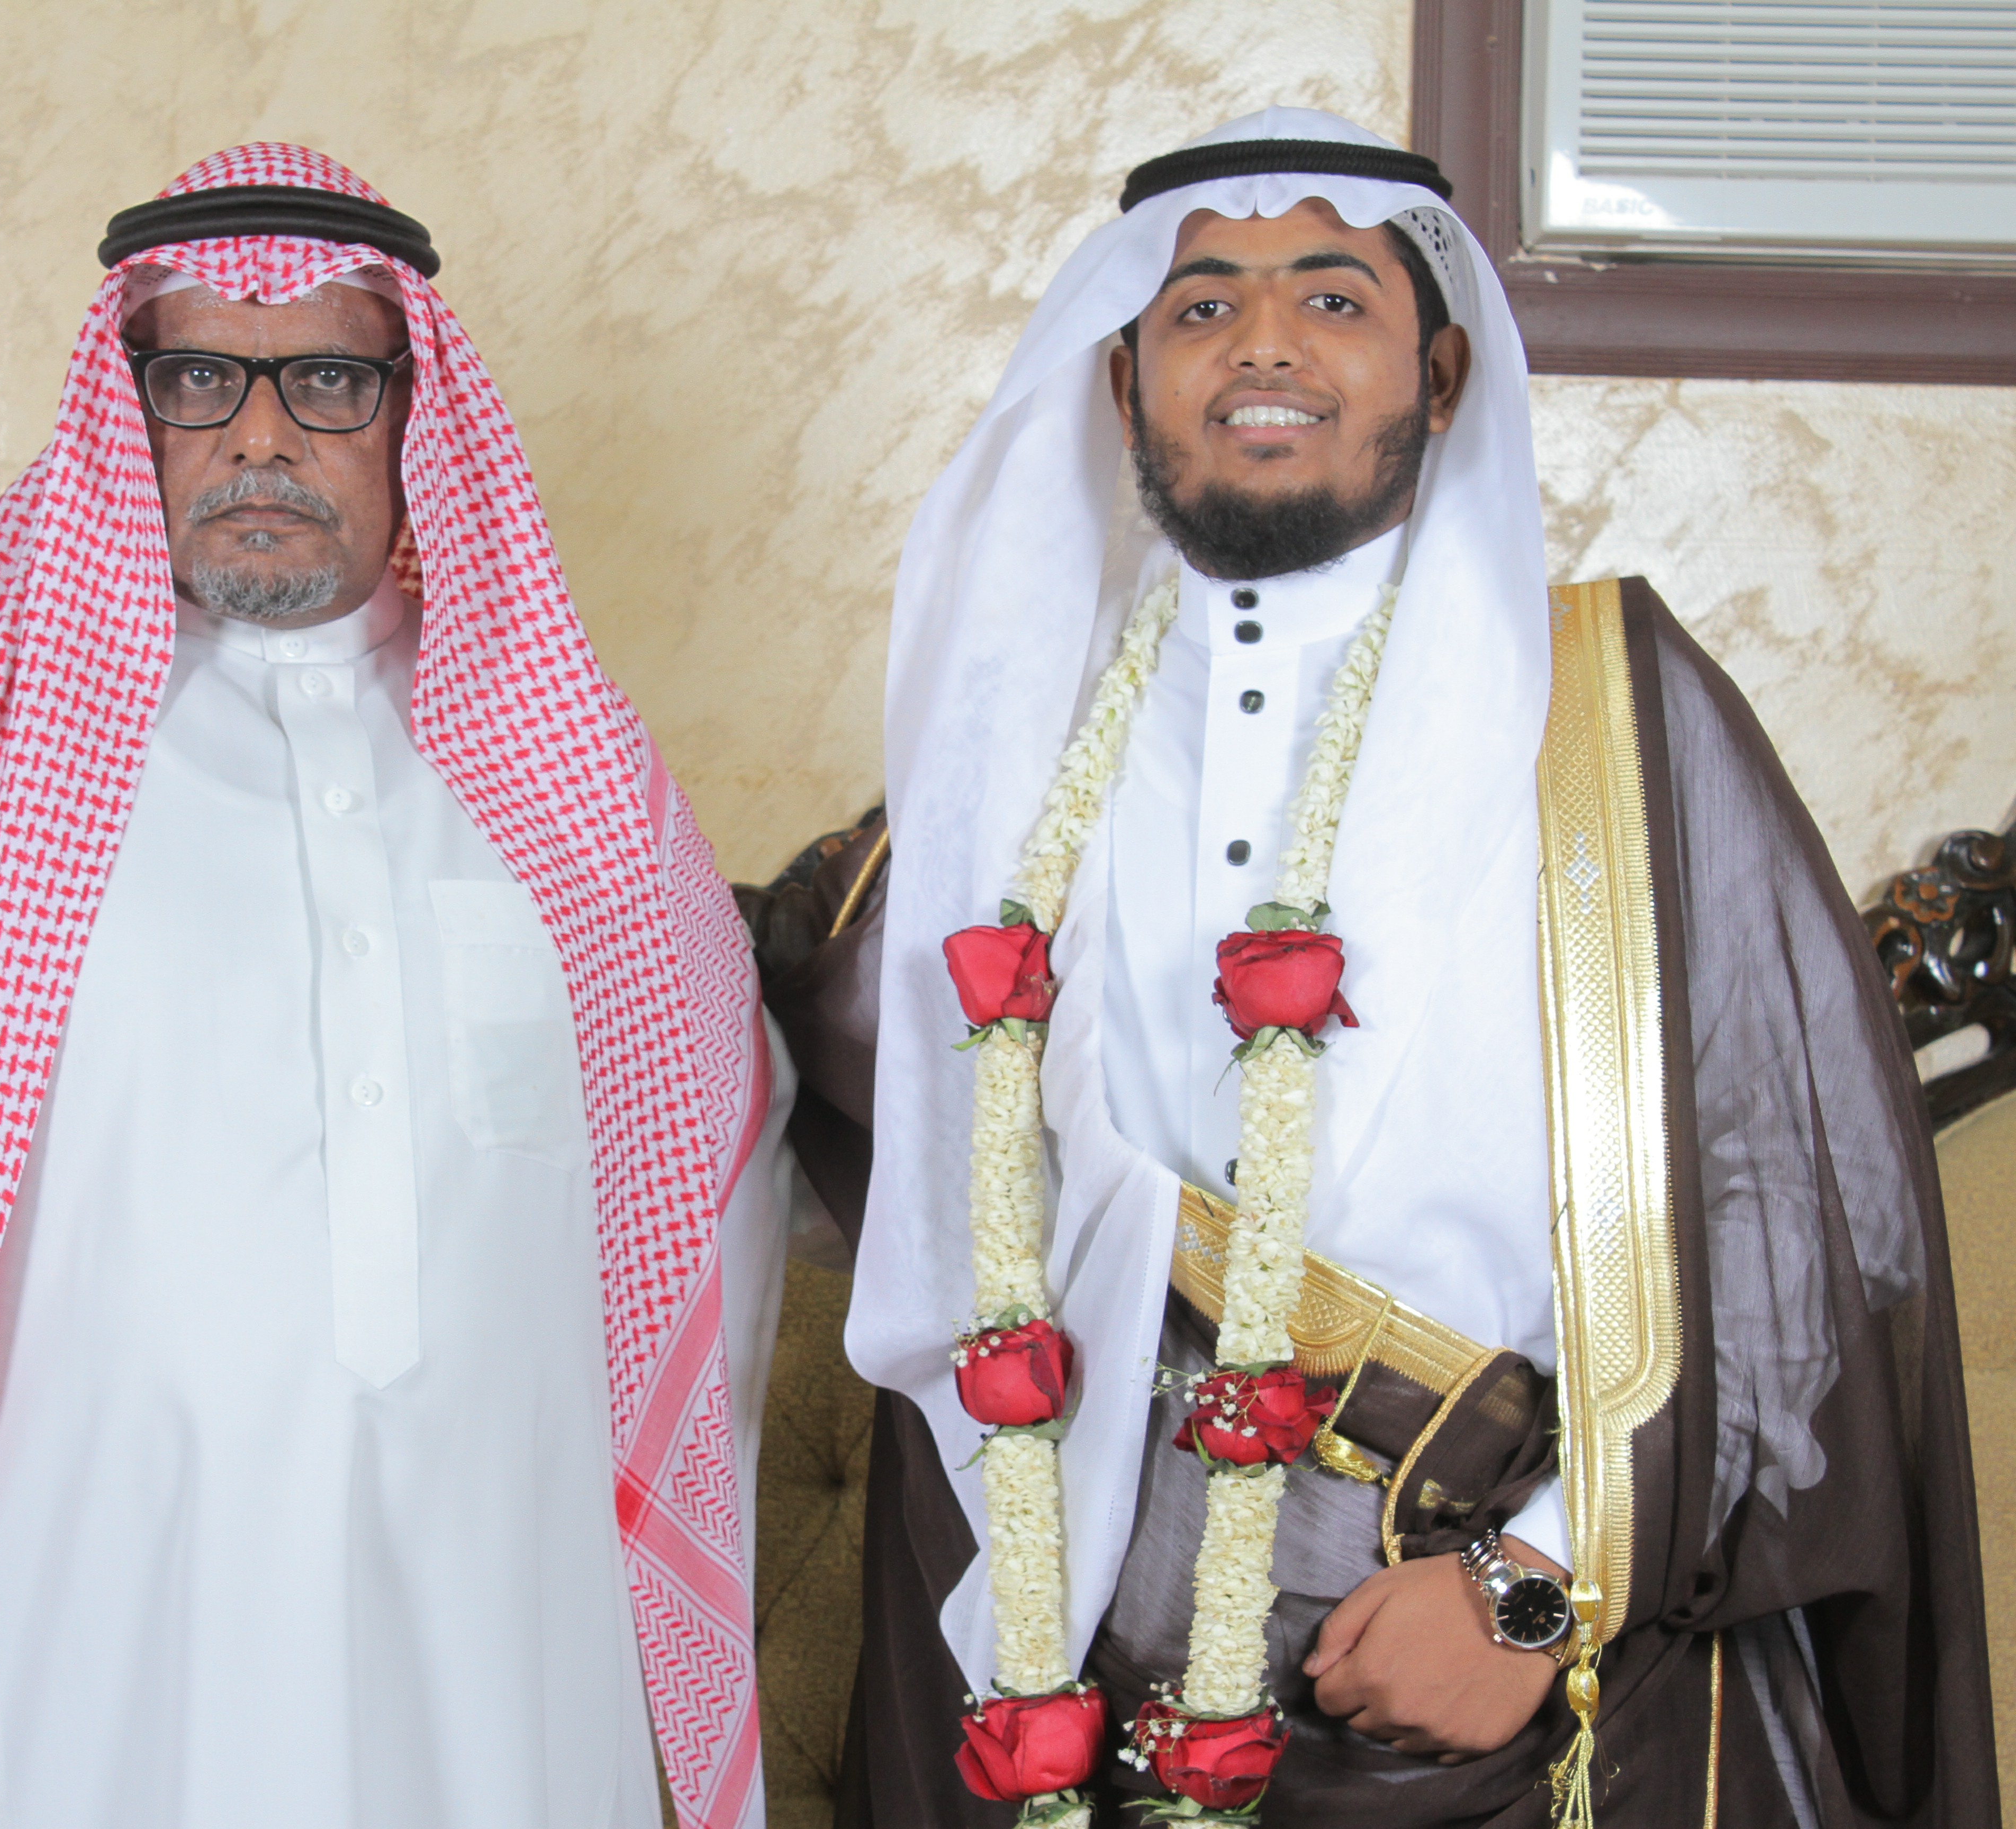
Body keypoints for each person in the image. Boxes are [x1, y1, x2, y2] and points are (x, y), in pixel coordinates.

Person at [755, 108, 1993, 1826]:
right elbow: (767, 1016)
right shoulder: (1023, 748)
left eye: (1333, 299)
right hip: (1067, 1678)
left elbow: (1792, 1227)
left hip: (1516, 1692)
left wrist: (1535, 1586)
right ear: (1122, 382)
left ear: (1447, 374)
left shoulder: (1612, 716)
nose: (1263, 344)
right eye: (1202, 307)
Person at [0, 144, 792, 1829]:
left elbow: (709, 1248)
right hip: (70, 1664)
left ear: (413, 411)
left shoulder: (580, 796)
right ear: (134, 407)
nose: (262, 437)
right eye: (201, 378)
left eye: (327, 379)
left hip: (503, 1657)